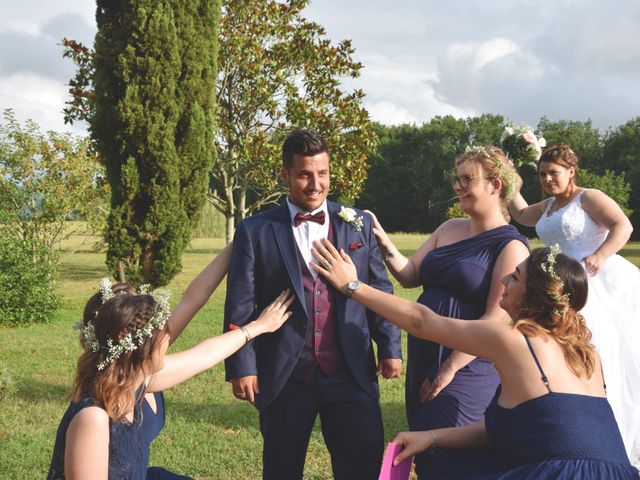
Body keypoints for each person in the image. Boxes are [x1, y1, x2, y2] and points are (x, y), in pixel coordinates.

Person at [312, 241, 639, 478]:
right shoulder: (586, 354)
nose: (503, 281)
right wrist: (432, 436)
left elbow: (421, 321)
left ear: (535, 294)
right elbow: (525, 429)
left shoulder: (511, 338)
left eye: (515, 277)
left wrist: (352, 285)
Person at [223, 128, 403, 480]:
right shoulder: (256, 230)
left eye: (322, 174)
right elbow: (241, 299)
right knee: (281, 468)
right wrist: (243, 365)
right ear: (285, 174)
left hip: (350, 369)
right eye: (304, 174)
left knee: (361, 465)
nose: (315, 184)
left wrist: (390, 346)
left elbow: (379, 288)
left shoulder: (358, 224)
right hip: (285, 372)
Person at [367, 146, 529, 477]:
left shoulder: (510, 246)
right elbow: (410, 275)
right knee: (427, 451)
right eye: (456, 179)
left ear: (495, 185)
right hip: (425, 357)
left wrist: (450, 367)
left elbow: (496, 319)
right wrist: (383, 241)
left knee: (452, 452)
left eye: (467, 179)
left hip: (467, 367)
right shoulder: (448, 228)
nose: (457, 187)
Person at [47, 275, 294, 479]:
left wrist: (258, 327)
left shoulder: (138, 380)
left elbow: (204, 352)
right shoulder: (94, 417)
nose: (168, 339)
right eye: (162, 335)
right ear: (138, 348)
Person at [508, 143, 640, 466]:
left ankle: (617, 430)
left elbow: (624, 226)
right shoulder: (549, 205)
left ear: (571, 171)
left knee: (604, 351)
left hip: (595, 279)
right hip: (559, 284)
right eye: (542, 174)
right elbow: (522, 214)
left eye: (554, 173)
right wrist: (508, 177)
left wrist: (599, 256)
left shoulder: (588, 197)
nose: (548, 179)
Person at [77, 244, 234, 479]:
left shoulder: (140, 372)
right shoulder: (93, 416)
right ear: (130, 339)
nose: (165, 332)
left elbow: (194, 305)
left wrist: (256, 328)